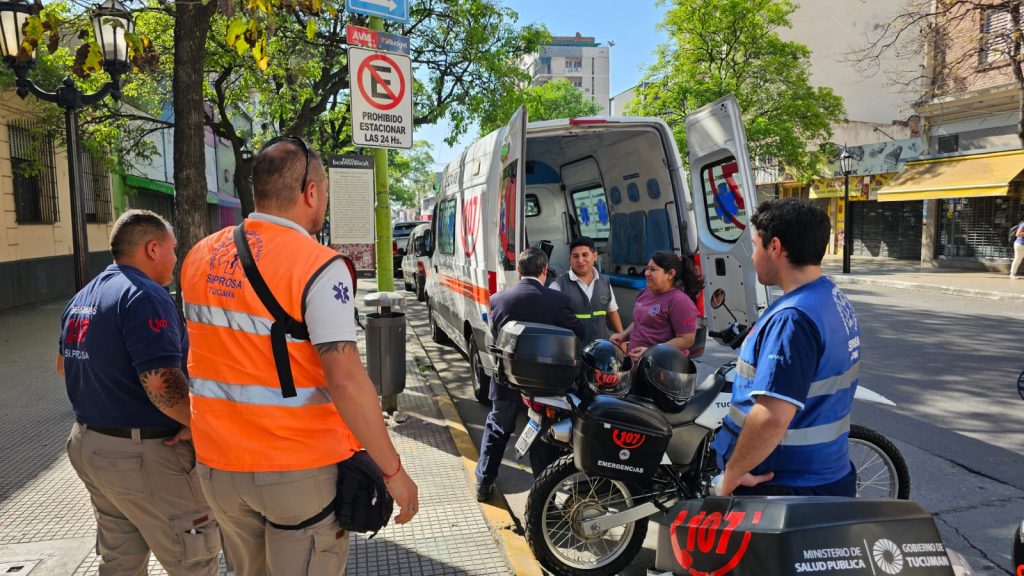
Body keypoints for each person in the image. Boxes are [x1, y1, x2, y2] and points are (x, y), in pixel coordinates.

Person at [180, 137, 418, 576]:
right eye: (324, 191)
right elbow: (345, 381)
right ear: (310, 192)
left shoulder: (199, 256)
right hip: (295, 472)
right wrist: (393, 472)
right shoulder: (319, 266)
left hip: (217, 467)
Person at [57, 209, 220, 575]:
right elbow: (160, 383)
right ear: (152, 249)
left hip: (90, 445)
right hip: (144, 454)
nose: (176, 258)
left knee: (121, 562)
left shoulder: (84, 297)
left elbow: (63, 364)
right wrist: (202, 426)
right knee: (194, 560)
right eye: (173, 249)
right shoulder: (146, 296)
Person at [711, 198, 861, 497]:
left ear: (775, 247)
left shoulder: (793, 318)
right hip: (821, 474)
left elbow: (772, 417)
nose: (752, 256)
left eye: (755, 246)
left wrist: (733, 474)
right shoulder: (830, 296)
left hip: (782, 484)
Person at [476, 247, 585, 502]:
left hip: (507, 381)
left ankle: (484, 483)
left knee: (497, 430)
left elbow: (497, 335)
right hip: (546, 386)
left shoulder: (499, 299)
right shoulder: (559, 301)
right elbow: (579, 333)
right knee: (546, 439)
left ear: (519, 270)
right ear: (544, 270)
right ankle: (546, 497)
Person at [610, 250, 699, 361]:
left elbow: (686, 340)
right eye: (647, 268)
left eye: (653, 269)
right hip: (637, 363)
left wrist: (652, 351)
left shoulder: (680, 301)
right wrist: (623, 335)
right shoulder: (645, 293)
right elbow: (639, 322)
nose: (646, 273)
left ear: (670, 274)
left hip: (663, 366)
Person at [549, 236, 624, 344]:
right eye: (575, 256)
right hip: (571, 348)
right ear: (570, 259)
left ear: (595, 256)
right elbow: (551, 320)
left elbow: (612, 312)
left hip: (601, 347)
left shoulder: (605, 282)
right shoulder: (558, 285)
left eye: (585, 255)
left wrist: (622, 339)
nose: (580, 260)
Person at [1011, 210, 1024, 279]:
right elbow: (1018, 234)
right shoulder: (1023, 224)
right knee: (1017, 259)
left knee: (1018, 259)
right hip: (1020, 244)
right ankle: (1012, 274)